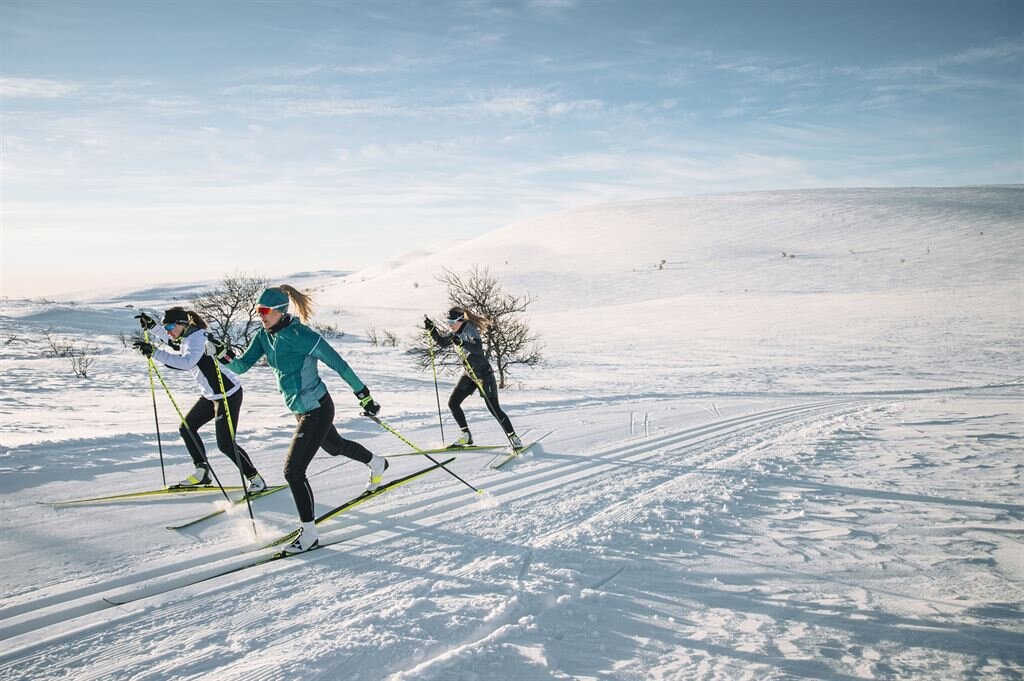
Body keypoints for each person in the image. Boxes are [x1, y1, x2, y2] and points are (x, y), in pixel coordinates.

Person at [224, 285, 387, 554]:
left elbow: (338, 363)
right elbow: (241, 366)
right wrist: (222, 355)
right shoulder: (264, 336)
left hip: (318, 408)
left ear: (279, 311)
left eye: (265, 311)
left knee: (293, 471)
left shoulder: (302, 335)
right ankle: (377, 463)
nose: (260, 315)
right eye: (258, 311)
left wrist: (364, 394)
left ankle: (309, 534)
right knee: (335, 447)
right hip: (300, 409)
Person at [133, 307, 266, 492]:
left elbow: (187, 363)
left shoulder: (197, 338)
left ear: (183, 324)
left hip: (227, 395)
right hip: (211, 396)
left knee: (226, 444)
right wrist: (154, 327)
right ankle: (202, 472)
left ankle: (256, 479)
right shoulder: (188, 335)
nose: (169, 330)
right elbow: (174, 341)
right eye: (167, 326)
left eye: (170, 326)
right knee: (187, 428)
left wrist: (155, 353)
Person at [424, 306, 522, 450]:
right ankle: (466, 436)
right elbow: (443, 343)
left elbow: (477, 348)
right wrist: (432, 330)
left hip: (484, 376)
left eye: (452, 322)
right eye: (448, 322)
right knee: (453, 403)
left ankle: (514, 438)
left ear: (460, 320)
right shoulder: (455, 333)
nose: (449, 325)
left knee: (494, 409)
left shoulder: (470, 330)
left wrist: (463, 343)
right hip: (470, 375)